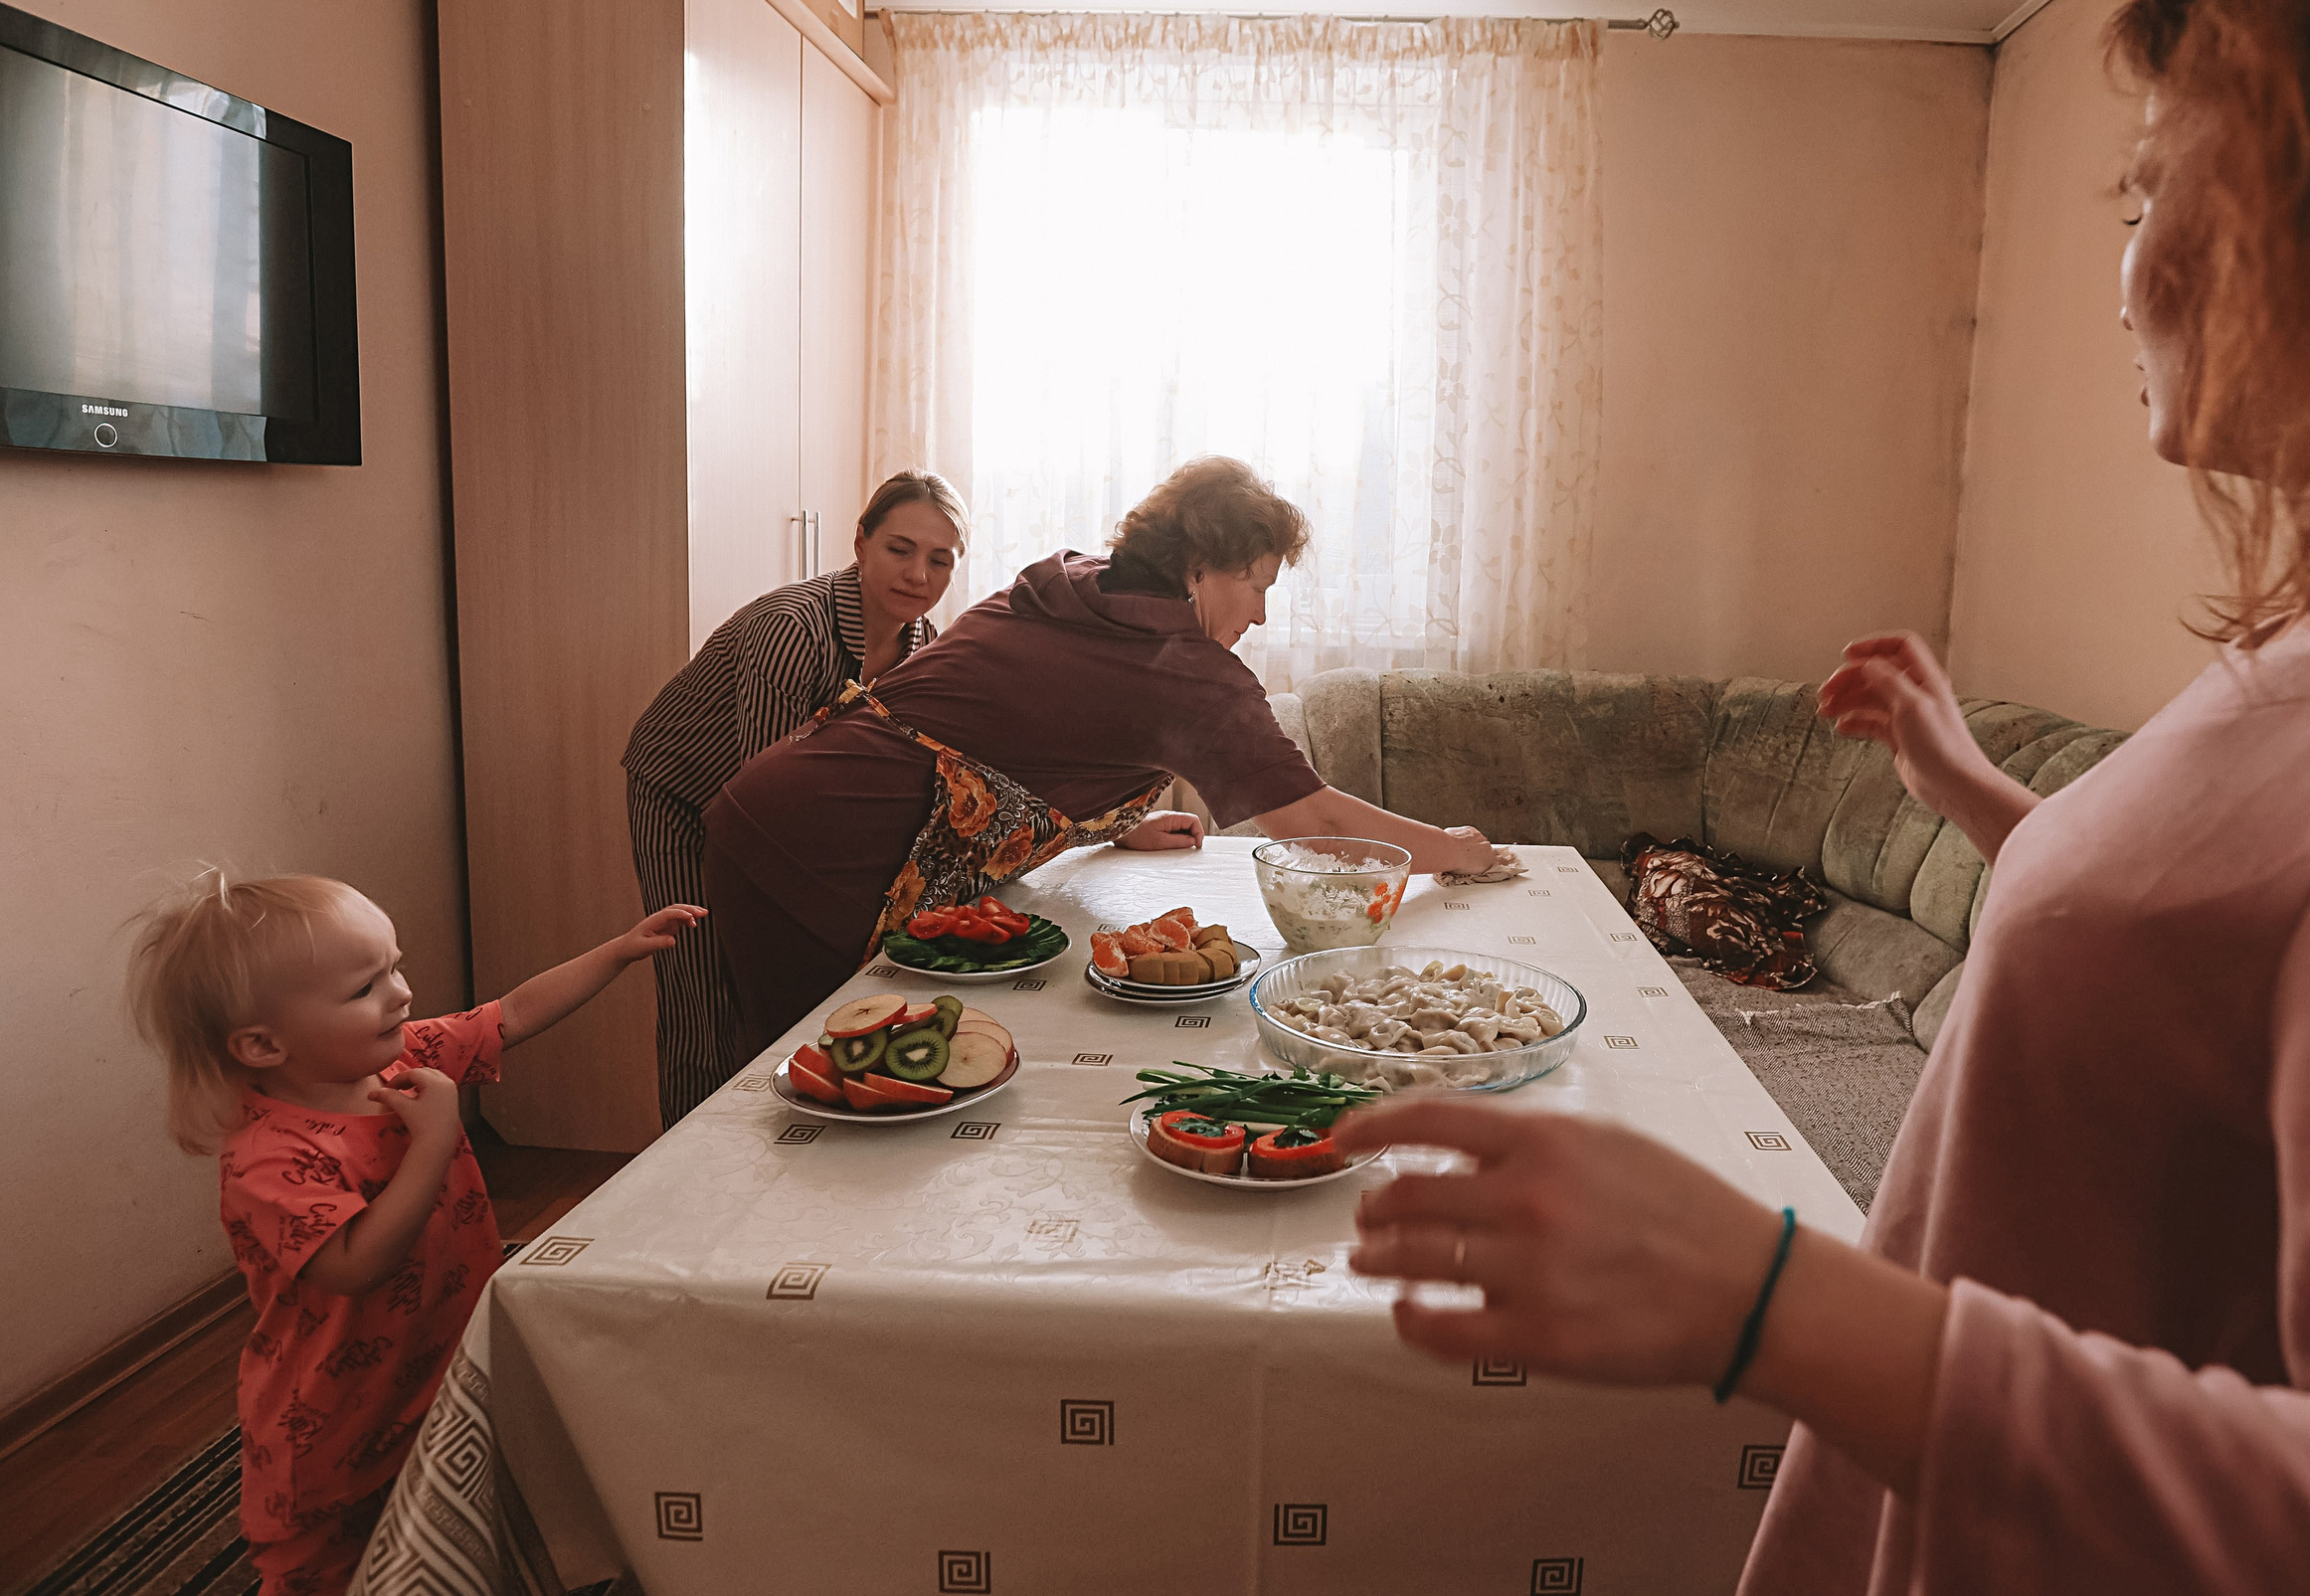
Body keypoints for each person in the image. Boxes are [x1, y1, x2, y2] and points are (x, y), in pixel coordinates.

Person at [1336, 0, 2310, 1590]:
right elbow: (2206, 971)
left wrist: (1775, 1299)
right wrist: (1971, 788)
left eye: (2155, 186)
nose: (2131, 269)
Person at [702, 454, 1501, 1045]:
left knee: (841, 1081)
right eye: (1255, 583)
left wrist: (1109, 823)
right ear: (1197, 569)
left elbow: (1020, 728)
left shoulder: (1075, 582)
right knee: (811, 1087)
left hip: (787, 809)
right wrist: (1451, 852)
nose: (1259, 614)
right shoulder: (1187, 672)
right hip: (816, 854)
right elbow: (1312, 819)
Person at [128, 870, 701, 1596]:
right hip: (333, 1421)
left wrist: (615, 951)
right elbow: (352, 1262)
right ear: (264, 1044)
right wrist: (435, 1140)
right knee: (336, 1570)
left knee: (443, 1527)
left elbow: (512, 1014)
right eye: (365, 986)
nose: (400, 991)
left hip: (431, 1364)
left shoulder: (402, 1058)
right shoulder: (269, 1154)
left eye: (393, 965)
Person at [623, 471, 967, 1124]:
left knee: (793, 988)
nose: (918, 573)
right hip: (687, 795)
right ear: (860, 543)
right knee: (704, 996)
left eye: (939, 558)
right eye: (900, 548)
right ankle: (694, 1189)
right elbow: (764, 804)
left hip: (786, 808)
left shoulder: (925, 648)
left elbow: (945, 772)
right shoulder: (791, 630)